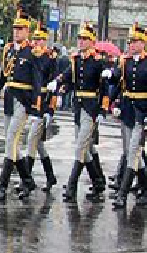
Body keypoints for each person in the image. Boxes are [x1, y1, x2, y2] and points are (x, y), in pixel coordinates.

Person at [48, 22, 108, 204]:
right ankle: (98, 181)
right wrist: (57, 83)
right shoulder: (76, 60)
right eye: (80, 39)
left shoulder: (98, 62)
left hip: (91, 107)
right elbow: (68, 76)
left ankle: (71, 186)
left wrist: (103, 109)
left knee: (81, 146)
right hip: (78, 106)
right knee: (86, 148)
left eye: (85, 39)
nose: (81, 42)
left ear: (92, 42)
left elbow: (104, 89)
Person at [0, 9, 42, 203]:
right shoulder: (9, 50)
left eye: (20, 29)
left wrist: (36, 106)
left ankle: (2, 186)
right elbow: (5, 76)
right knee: (11, 143)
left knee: (12, 138)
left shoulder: (32, 53)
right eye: (15, 29)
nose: (16, 32)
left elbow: (37, 81)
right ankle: (27, 180)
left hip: (23, 100)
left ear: (27, 32)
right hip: (9, 100)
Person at [106, 23, 147, 209]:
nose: (131, 44)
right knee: (131, 151)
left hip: (142, 112)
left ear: (143, 43)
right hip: (127, 110)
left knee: (133, 153)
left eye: (135, 41)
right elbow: (119, 81)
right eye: (130, 42)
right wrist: (110, 103)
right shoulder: (126, 62)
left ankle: (122, 194)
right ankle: (144, 186)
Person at [21, 26, 59, 195]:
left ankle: (26, 181)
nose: (37, 42)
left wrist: (50, 110)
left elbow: (54, 86)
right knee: (39, 145)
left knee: (31, 141)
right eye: (35, 39)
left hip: (43, 102)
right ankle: (50, 176)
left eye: (40, 39)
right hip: (31, 102)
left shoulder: (50, 58)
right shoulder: (30, 55)